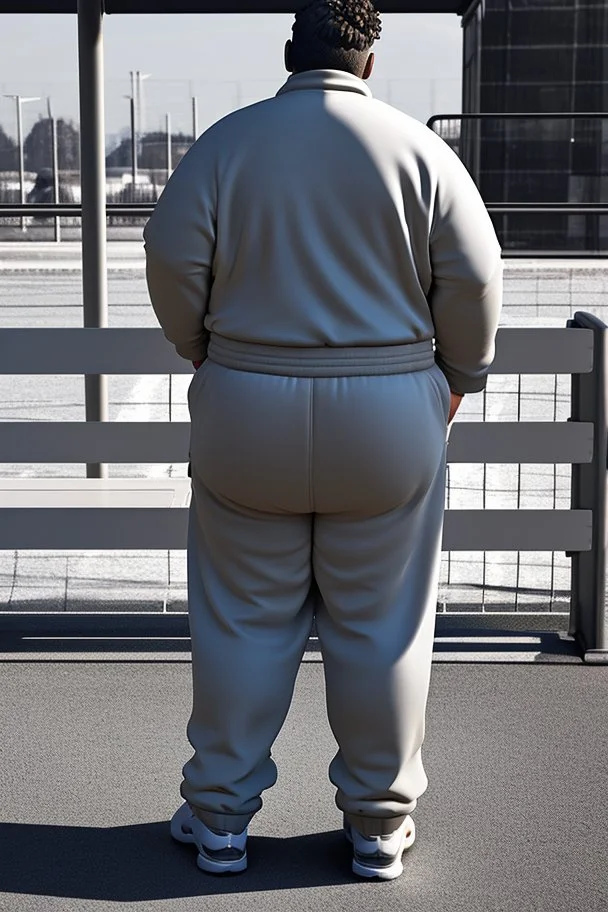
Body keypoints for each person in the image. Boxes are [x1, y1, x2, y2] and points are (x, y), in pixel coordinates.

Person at [144, 0, 502, 882]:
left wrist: (204, 350)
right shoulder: (421, 152)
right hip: (388, 412)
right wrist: (459, 377)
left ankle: (220, 818)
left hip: (246, 404)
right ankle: (379, 825)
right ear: (370, 61)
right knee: (383, 623)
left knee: (237, 620)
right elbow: (477, 276)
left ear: (288, 55)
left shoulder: (228, 144)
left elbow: (169, 258)